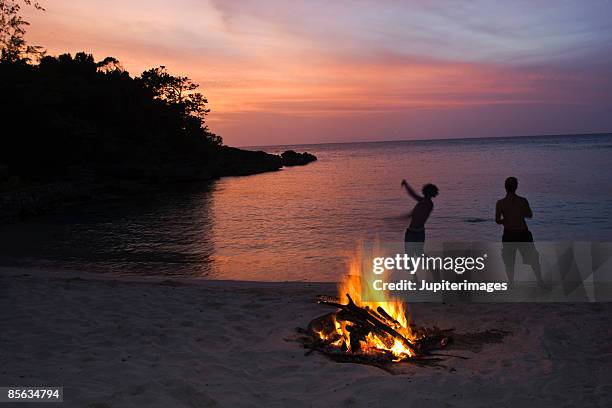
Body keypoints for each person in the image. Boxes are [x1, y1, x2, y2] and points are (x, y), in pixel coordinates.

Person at [495, 177, 546, 288]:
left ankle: (511, 282)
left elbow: (498, 220)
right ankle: (540, 281)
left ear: (505, 187)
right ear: (516, 187)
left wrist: (507, 219)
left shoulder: (500, 203)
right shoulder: (522, 201)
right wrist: (518, 214)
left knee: (509, 259)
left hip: (509, 234)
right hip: (522, 233)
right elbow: (530, 215)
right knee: (533, 258)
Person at [401, 179, 438, 257]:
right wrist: (406, 185)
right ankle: (433, 268)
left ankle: (433, 268)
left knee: (416, 254)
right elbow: (413, 194)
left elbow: (413, 214)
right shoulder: (423, 201)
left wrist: (399, 218)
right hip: (412, 232)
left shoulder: (427, 204)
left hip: (417, 233)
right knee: (412, 254)